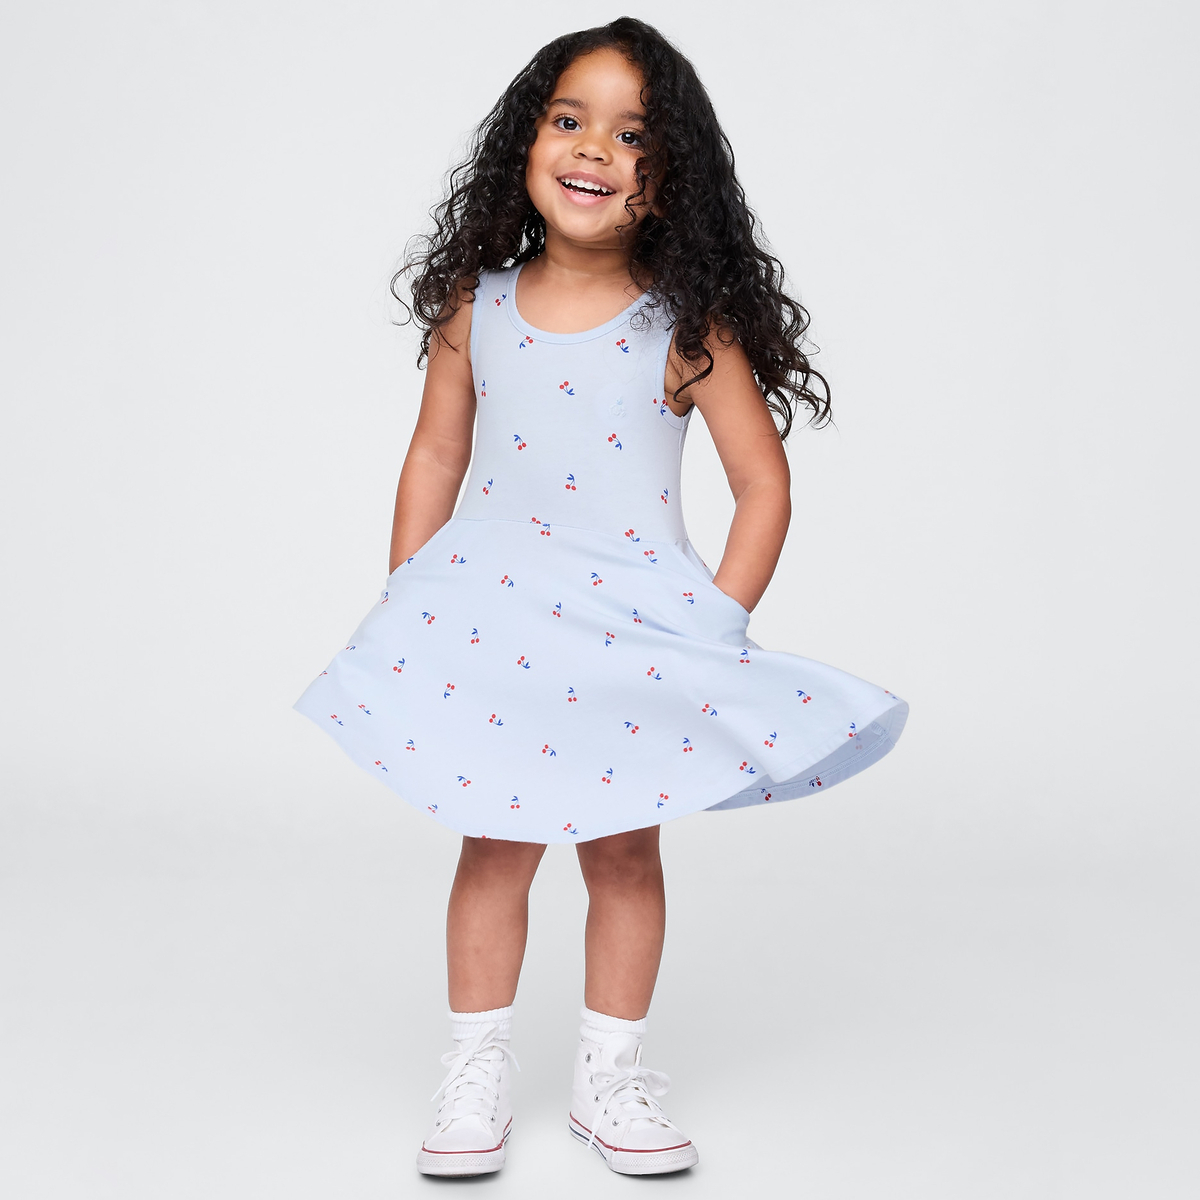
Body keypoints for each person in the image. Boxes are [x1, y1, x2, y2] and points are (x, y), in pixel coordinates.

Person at [293, 16, 907, 1179]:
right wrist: (408, 594)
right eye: (569, 120)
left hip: (631, 634)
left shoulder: (684, 324)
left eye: (632, 136)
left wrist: (713, 624)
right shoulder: (474, 306)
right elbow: (435, 455)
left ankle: (608, 1077)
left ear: (670, 178)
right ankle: (475, 1067)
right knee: (495, 849)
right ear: (525, 143)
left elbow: (763, 485)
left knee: (624, 858)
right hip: (496, 624)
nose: (593, 149)